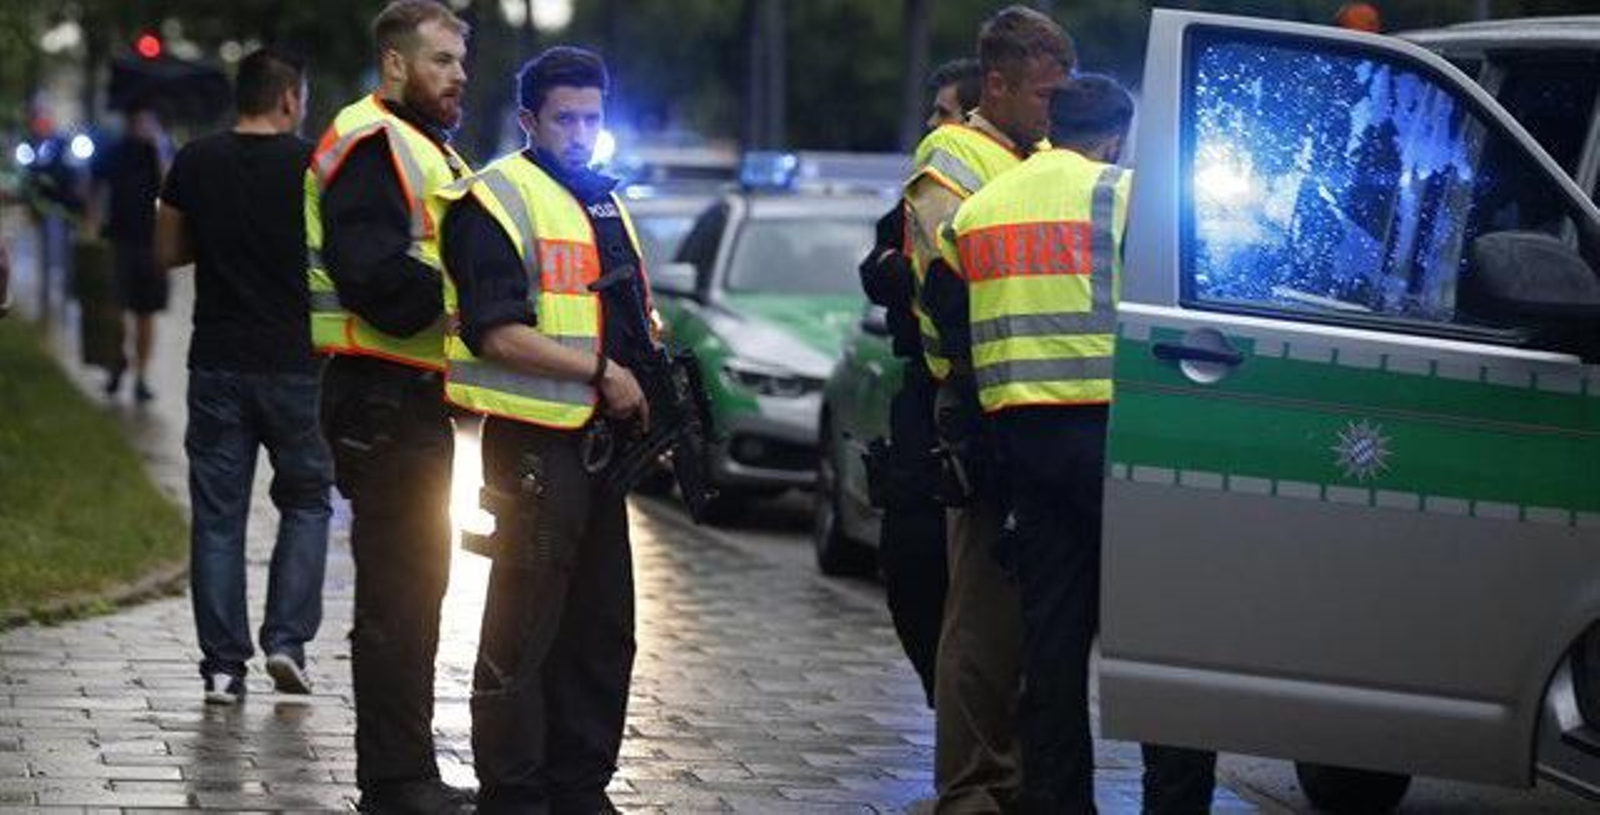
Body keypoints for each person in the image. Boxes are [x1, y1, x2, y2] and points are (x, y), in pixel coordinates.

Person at [931, 74, 1219, 814]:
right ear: (1118, 138)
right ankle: (1175, 802)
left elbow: (943, 317)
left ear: (1053, 123)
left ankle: (1058, 802)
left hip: (1021, 444)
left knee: (1051, 642)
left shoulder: (980, 209)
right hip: (1121, 439)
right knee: (1164, 631)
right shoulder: (1124, 199)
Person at [438, 45, 652, 813]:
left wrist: (648, 380)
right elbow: (495, 332)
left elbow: (622, 317)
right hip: (533, 445)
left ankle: (580, 787)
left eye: (594, 118)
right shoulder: (493, 199)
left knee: (602, 631)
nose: (581, 132)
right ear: (529, 119)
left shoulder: (602, 199)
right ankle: (515, 792)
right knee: (524, 631)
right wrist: (602, 372)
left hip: (597, 449)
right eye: (566, 118)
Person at [304, 1, 472, 810]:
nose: (458, 77)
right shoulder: (374, 143)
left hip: (405, 397)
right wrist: (475, 298)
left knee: (414, 590)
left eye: (462, 63)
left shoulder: (420, 146)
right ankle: (397, 781)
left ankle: (405, 773)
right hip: (381, 394)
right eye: (442, 60)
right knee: (400, 597)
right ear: (396, 65)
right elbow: (374, 278)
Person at [903, 6, 1071, 810]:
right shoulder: (952, 156)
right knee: (985, 617)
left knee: (1039, 613)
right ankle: (972, 790)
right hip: (979, 402)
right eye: (1043, 94)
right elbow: (952, 283)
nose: (1054, 108)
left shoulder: (1035, 154)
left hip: (1043, 404)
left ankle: (1023, 780)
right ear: (995, 84)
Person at [152, 48, 333, 707]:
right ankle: (286, 641)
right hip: (299, 364)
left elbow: (167, 251)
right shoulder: (316, 164)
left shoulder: (195, 161)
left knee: (219, 517)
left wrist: (221, 237)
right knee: (308, 501)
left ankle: (223, 668)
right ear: (289, 98)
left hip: (218, 361)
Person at [859, 56, 980, 709]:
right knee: (909, 564)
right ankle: (947, 704)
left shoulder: (994, 195)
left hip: (976, 400)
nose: (932, 126)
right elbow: (878, 265)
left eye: (944, 113)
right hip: (921, 397)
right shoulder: (920, 194)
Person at [90, 106, 169, 401]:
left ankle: (142, 377)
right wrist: (92, 224)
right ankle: (117, 363)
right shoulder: (115, 149)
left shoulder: (159, 150)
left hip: (153, 244)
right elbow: (95, 185)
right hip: (119, 242)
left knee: (146, 314)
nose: (144, 124)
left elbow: (170, 187)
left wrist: (159, 146)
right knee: (115, 312)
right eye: (140, 118)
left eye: (150, 119)